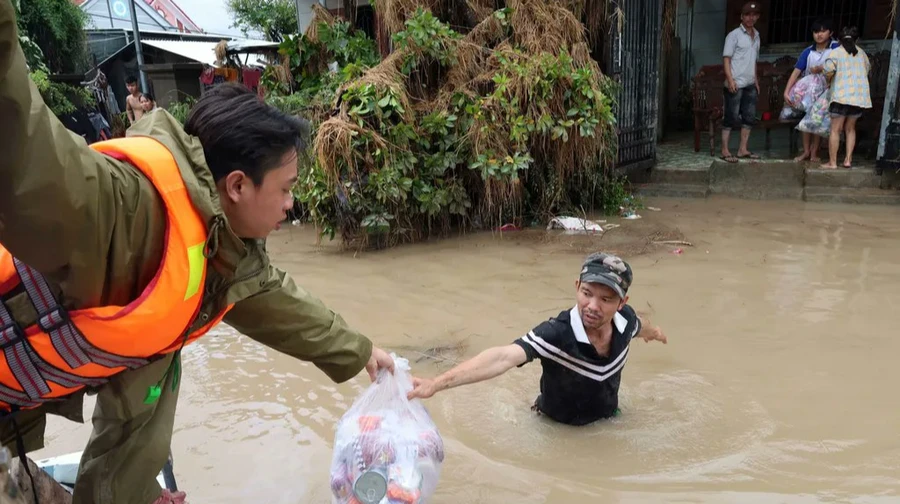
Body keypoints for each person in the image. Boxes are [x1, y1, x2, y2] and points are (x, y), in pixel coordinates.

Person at [0, 3, 394, 504]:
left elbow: (279, 300)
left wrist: (362, 352)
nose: (293, 207)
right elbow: (20, 144)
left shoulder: (222, 256)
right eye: (287, 189)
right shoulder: (119, 205)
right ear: (236, 185)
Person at [408, 253, 667, 426]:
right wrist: (436, 383)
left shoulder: (626, 322)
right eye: (586, 293)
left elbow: (640, 327)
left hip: (608, 421)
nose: (592, 306)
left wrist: (655, 334)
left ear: (622, 303)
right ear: (577, 287)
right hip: (555, 429)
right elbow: (503, 357)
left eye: (606, 299)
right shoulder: (557, 334)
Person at [813, 26, 871, 169]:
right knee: (850, 129)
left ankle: (832, 163)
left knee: (835, 129)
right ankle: (847, 160)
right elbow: (868, 69)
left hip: (840, 96)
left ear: (838, 40)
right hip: (858, 98)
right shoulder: (862, 54)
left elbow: (828, 71)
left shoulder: (836, 53)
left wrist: (829, 81)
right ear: (857, 40)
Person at [783, 18, 839, 162]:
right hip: (809, 93)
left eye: (823, 31)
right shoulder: (808, 51)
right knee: (807, 121)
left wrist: (822, 69)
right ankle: (806, 151)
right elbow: (796, 72)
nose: (819, 35)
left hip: (828, 91)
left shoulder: (836, 48)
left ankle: (814, 152)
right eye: (816, 32)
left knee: (817, 121)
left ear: (830, 32)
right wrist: (786, 91)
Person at [721, 1, 761, 163]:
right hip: (735, 83)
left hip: (750, 83)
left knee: (749, 117)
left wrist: (756, 80)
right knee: (730, 117)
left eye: (754, 15)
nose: (750, 18)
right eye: (747, 15)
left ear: (757, 17)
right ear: (742, 17)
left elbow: (754, 61)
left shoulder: (757, 36)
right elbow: (726, 59)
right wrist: (730, 80)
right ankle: (724, 150)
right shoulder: (734, 35)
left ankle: (742, 149)